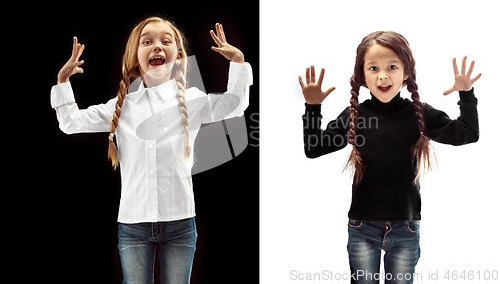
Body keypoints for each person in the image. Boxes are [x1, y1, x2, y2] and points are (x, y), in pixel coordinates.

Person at [51, 17, 253, 284]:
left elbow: (234, 105)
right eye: (147, 41)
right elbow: (70, 123)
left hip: (180, 223)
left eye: (165, 41)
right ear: (135, 56)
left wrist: (238, 62)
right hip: (133, 224)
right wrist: (62, 81)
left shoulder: (192, 100)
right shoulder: (121, 107)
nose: (157, 47)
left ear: (179, 56)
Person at [298, 31, 480, 284]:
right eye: (373, 68)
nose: (382, 75)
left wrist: (466, 94)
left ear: (406, 72)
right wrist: (312, 108)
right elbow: (313, 148)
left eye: (391, 67)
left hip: (405, 227)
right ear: (362, 76)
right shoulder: (356, 116)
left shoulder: (419, 114)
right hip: (363, 227)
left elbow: (467, 133)